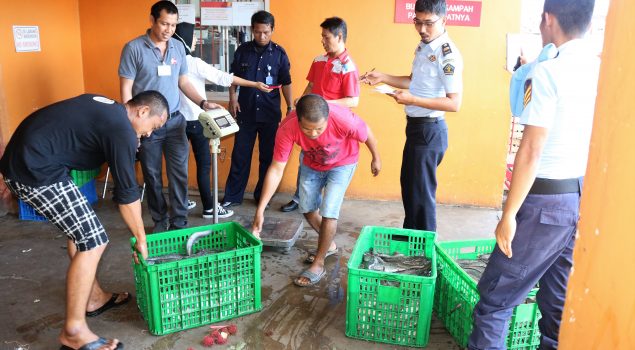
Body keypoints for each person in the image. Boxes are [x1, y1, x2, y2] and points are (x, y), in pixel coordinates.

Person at [468, 1, 599, 349]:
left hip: (544, 204)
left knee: (496, 302)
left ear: (548, 19)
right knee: (557, 300)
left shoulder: (548, 73)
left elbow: (531, 149)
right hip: (579, 199)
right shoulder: (598, 69)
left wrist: (508, 215)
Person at [0, 91, 169, 350]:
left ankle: (94, 298)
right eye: (153, 127)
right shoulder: (121, 129)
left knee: (80, 231)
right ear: (143, 111)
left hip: (29, 161)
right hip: (36, 170)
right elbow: (127, 195)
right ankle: (73, 331)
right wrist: (141, 240)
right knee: (93, 240)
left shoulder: (111, 108)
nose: (148, 135)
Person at [252, 94, 381, 287]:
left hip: (343, 162)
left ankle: (319, 263)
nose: (313, 134)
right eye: (307, 129)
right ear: (298, 119)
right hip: (312, 163)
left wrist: (376, 158)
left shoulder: (343, 118)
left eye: (319, 128)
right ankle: (329, 245)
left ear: (328, 119)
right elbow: (277, 168)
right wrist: (260, 210)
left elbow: (367, 133)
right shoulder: (288, 127)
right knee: (307, 207)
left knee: (330, 211)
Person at [361, 0, 463, 232]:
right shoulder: (424, 47)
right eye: (418, 22)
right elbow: (412, 82)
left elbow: (454, 103)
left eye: (429, 23)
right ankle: (411, 240)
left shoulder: (447, 55)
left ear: (444, 20)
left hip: (430, 131)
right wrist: (384, 77)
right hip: (417, 129)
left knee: (422, 197)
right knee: (411, 189)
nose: (422, 29)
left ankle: (424, 255)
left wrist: (412, 99)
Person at [119, 0, 220, 232]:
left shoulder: (176, 47)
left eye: (173, 25)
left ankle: (179, 223)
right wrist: (130, 128)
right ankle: (160, 221)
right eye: (164, 23)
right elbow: (126, 89)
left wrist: (203, 102)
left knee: (179, 175)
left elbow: (183, 81)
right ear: (152, 20)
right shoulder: (133, 48)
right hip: (147, 126)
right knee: (152, 176)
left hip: (175, 121)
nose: (169, 30)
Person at [173, 21, 273, 219]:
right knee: (204, 165)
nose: (195, 41)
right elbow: (224, 78)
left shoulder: (171, 60)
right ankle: (210, 207)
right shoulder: (192, 62)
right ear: (185, 39)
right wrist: (254, 84)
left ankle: (181, 201)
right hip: (197, 120)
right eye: (193, 36)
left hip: (175, 121)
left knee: (178, 164)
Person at [279, 16, 360, 213]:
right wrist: (303, 99)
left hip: (331, 125)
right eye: (322, 37)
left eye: (326, 37)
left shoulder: (348, 67)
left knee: (328, 164)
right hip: (310, 119)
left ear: (339, 36)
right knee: (305, 160)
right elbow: (311, 85)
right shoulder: (319, 59)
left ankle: (325, 208)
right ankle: (301, 199)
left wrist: (323, 104)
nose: (322, 41)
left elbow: (353, 101)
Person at [220, 10, 293, 209]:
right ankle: (233, 196)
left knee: (268, 157)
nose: (262, 36)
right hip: (246, 111)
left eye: (266, 32)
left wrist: (290, 106)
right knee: (240, 155)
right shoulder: (243, 50)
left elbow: (286, 82)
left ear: (272, 30)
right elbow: (232, 79)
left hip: (270, 114)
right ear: (252, 30)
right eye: (258, 32)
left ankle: (263, 196)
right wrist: (232, 98)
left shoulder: (279, 53)